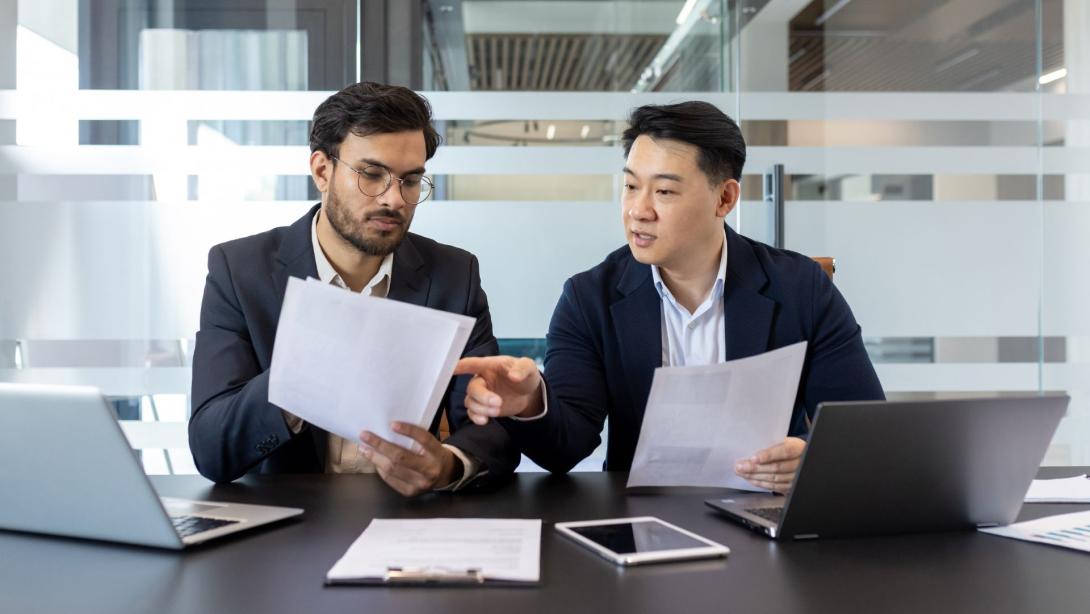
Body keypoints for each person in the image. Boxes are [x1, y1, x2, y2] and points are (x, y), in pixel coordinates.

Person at [454, 101, 884, 493]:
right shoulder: (589, 297)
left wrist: (811, 458)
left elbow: (862, 426)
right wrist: (530, 402)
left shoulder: (801, 287)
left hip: (764, 513)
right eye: (630, 187)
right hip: (642, 519)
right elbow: (566, 448)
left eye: (663, 191)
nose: (638, 210)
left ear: (725, 198)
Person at [189, 82, 518, 496]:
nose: (394, 199)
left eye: (411, 180)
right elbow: (210, 448)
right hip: (288, 526)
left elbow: (493, 431)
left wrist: (448, 465)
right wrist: (303, 373)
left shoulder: (454, 275)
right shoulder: (239, 271)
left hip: (405, 520)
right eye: (372, 174)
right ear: (322, 171)